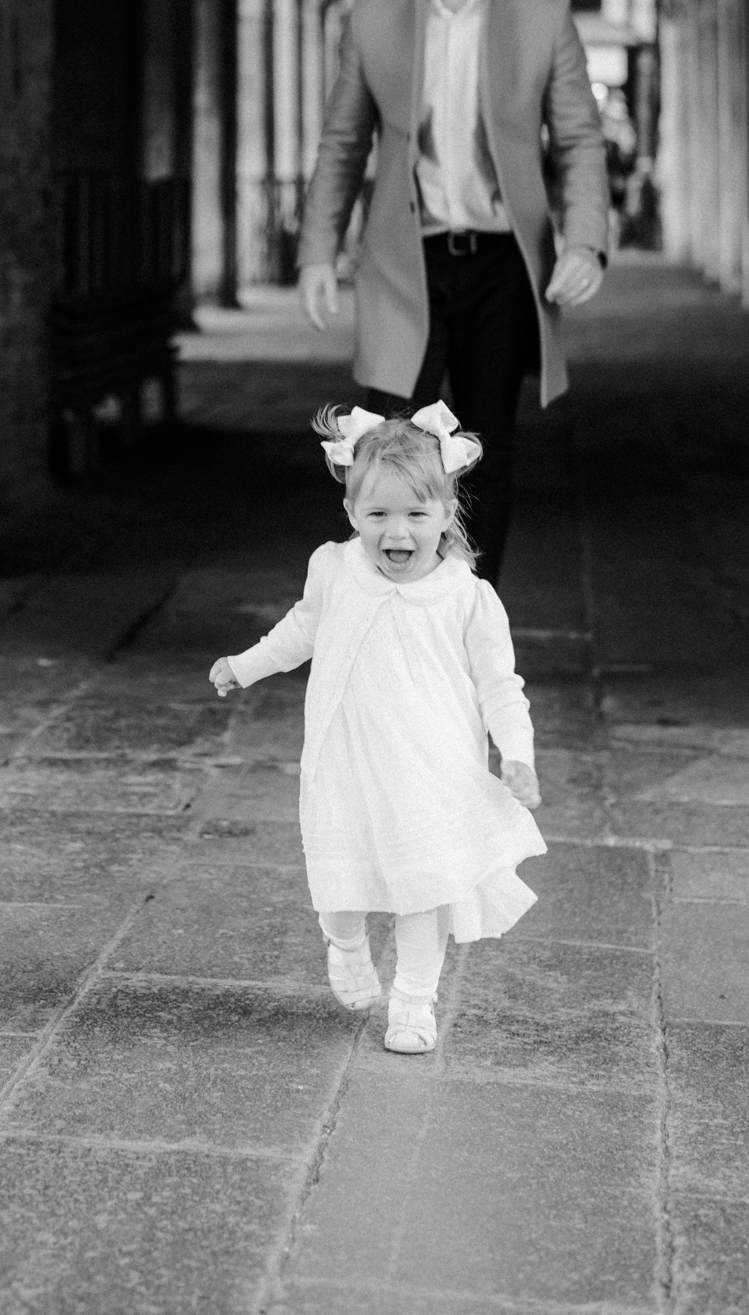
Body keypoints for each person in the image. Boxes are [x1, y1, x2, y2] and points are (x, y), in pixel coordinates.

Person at [297, 0, 609, 583]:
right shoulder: (375, 19)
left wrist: (586, 240)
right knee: (388, 451)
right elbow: (343, 140)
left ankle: (471, 614)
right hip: (406, 258)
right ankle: (391, 613)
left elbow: (578, 138)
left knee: (484, 451)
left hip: (504, 261)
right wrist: (317, 249)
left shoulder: (544, 16)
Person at [209, 402, 544, 1055]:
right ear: (352, 515)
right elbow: (300, 630)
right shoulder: (334, 569)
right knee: (340, 878)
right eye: (379, 515)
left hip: (431, 773)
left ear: (446, 514)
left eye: (417, 515)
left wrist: (519, 755)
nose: (398, 530)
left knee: (425, 894)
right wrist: (245, 666)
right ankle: (346, 943)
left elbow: (503, 688)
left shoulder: (467, 598)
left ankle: (414, 1005)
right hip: (346, 763)